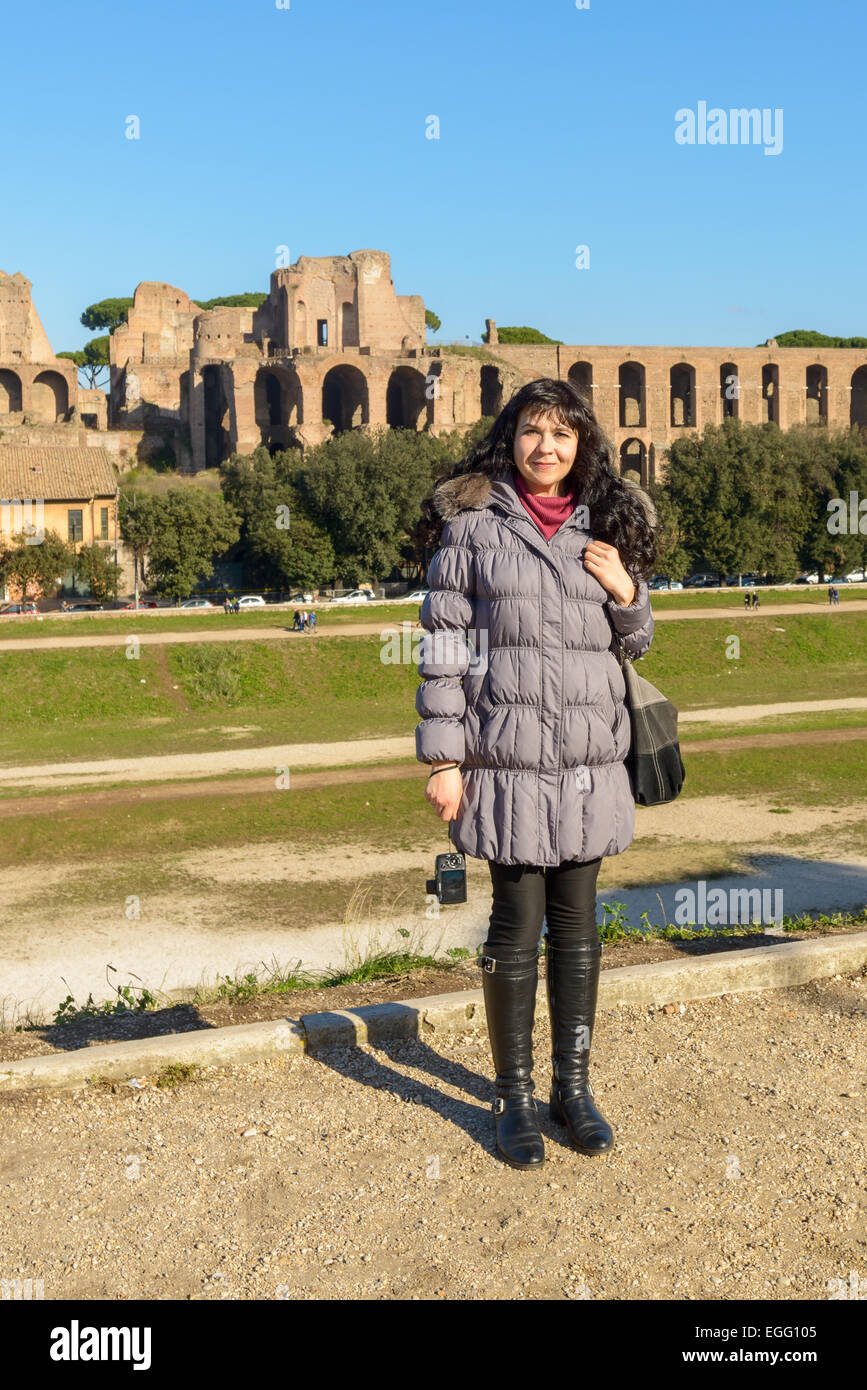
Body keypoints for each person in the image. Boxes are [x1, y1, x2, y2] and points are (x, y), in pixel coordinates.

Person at [415, 377, 656, 1170]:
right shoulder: (472, 528)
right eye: (530, 431)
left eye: (560, 433)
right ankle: (512, 1095)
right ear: (508, 438)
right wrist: (444, 759)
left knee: (580, 933)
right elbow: (444, 651)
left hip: (588, 759)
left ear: (581, 442)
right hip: (506, 757)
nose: (544, 447)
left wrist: (628, 595)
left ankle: (572, 1087)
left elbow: (634, 644)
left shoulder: (604, 524)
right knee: (514, 929)